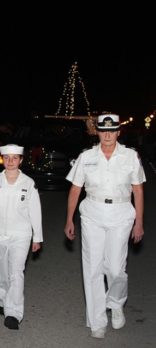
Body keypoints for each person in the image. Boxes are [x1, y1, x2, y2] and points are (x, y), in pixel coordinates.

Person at [64, 113, 145, 339]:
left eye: (112, 131)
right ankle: (97, 321)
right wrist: (69, 219)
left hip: (121, 213)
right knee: (93, 268)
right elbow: (75, 189)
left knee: (116, 268)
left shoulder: (130, 156)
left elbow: (138, 190)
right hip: (92, 212)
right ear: (97, 132)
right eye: (103, 130)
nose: (108, 135)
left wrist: (139, 222)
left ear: (119, 132)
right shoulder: (86, 157)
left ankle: (116, 302)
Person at [0, 144, 42, 330]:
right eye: (7, 158)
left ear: (21, 160)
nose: (10, 161)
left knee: (16, 272)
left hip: (21, 234)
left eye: (15, 158)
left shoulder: (28, 183)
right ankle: (3, 300)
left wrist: (37, 237)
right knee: (2, 270)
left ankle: (13, 313)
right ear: (1, 159)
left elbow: (35, 211)